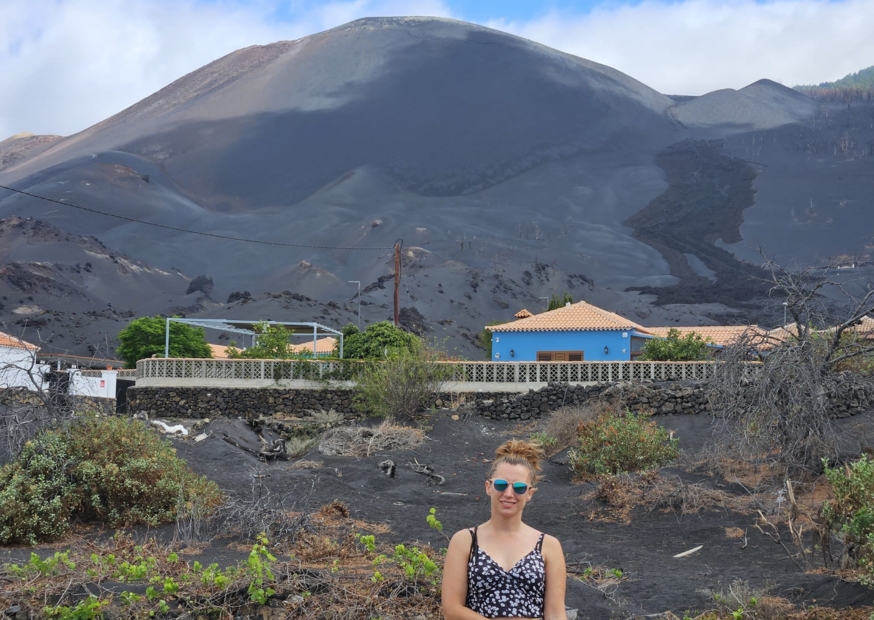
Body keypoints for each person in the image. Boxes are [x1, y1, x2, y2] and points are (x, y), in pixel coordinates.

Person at [442, 439, 568, 620]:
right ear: (488, 487)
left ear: (530, 493)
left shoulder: (549, 546)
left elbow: (555, 614)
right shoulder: (465, 541)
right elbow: (451, 609)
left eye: (519, 487)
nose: (509, 493)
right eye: (501, 484)